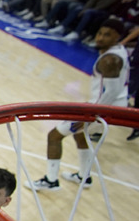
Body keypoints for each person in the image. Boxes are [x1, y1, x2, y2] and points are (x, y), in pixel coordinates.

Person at [29, 17, 132, 190]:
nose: (100, 38)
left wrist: (91, 116)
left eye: (107, 35)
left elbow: (112, 91)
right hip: (109, 107)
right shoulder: (119, 51)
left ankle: (50, 180)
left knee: (54, 136)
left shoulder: (109, 59)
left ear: (117, 37)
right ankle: (84, 177)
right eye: (100, 33)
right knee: (80, 134)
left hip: (105, 110)